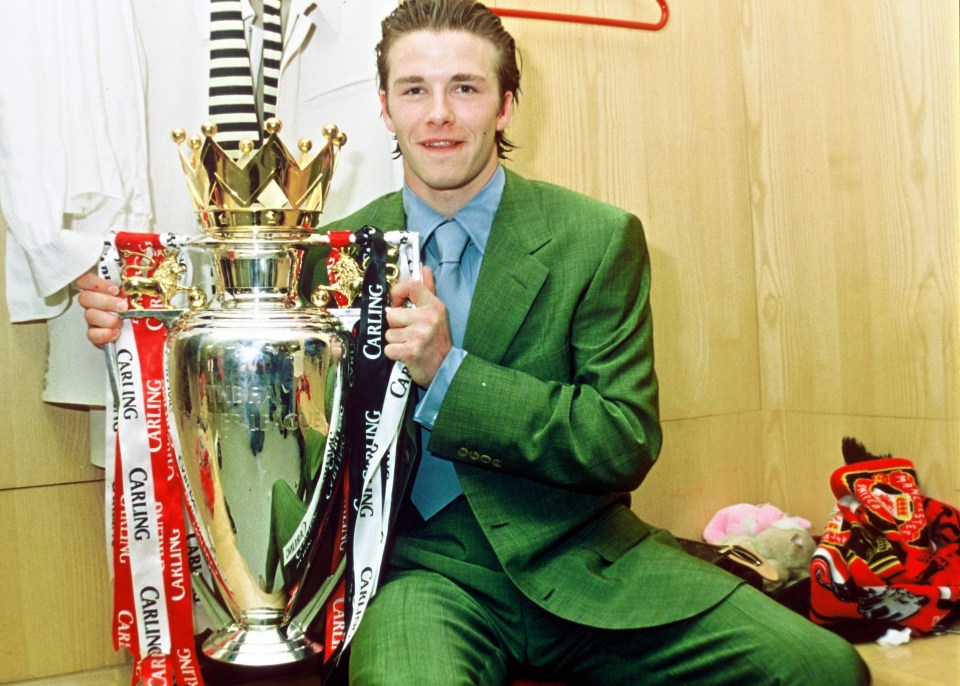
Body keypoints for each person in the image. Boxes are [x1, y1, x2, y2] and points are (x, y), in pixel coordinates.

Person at [78, 1, 871, 684]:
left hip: (584, 560)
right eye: (414, 90)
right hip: (421, 579)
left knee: (826, 670)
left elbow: (622, 440)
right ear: (384, 110)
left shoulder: (595, 238)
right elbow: (251, 398)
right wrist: (140, 318)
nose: (440, 114)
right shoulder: (328, 254)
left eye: (465, 88)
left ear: (505, 105)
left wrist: (447, 373)